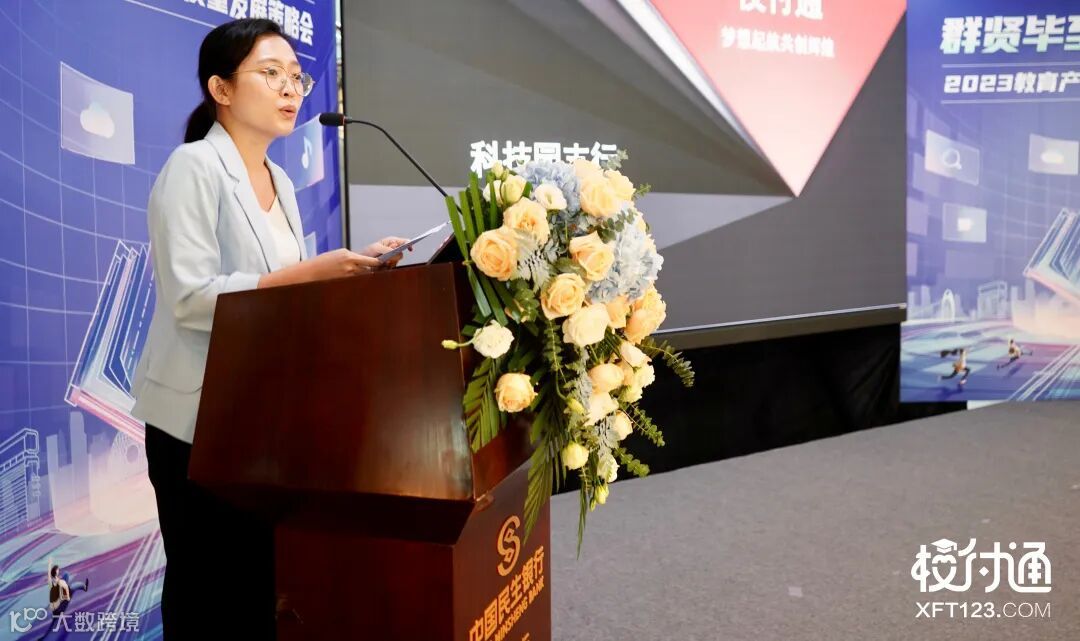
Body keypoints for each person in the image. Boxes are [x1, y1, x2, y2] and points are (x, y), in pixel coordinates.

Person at [131, 19, 409, 638]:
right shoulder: (193, 167)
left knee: (257, 587)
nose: (290, 89)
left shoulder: (279, 180)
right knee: (209, 592)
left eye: (297, 77)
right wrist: (311, 272)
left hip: (263, 419)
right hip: (198, 423)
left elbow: (285, 294)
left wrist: (352, 271)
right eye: (271, 73)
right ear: (221, 89)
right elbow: (190, 298)